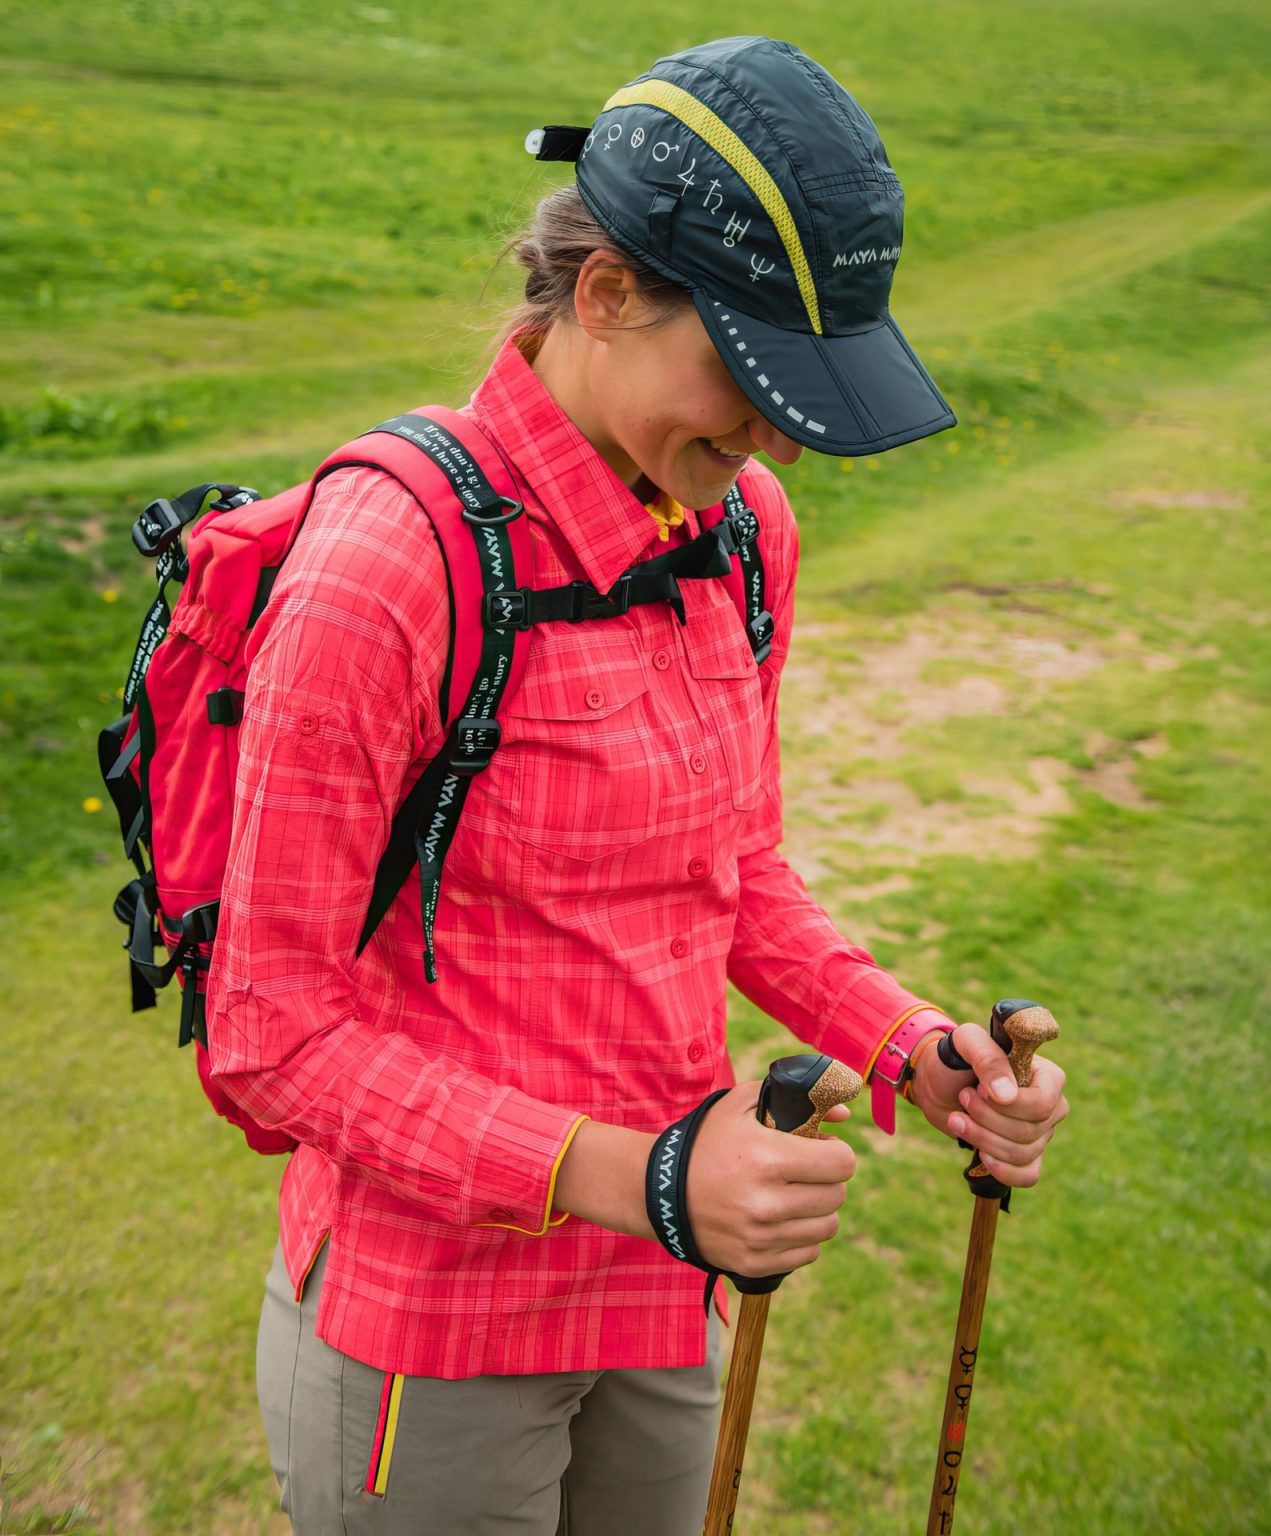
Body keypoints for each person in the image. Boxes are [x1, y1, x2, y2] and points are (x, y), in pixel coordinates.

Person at [206, 35, 1069, 1536]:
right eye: (751, 376)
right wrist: (645, 1179)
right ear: (603, 295)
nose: (779, 434)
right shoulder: (389, 568)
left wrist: (909, 1049)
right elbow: (270, 1032)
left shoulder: (741, 531)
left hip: (664, 1299)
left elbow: (734, 877)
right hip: (432, 1331)